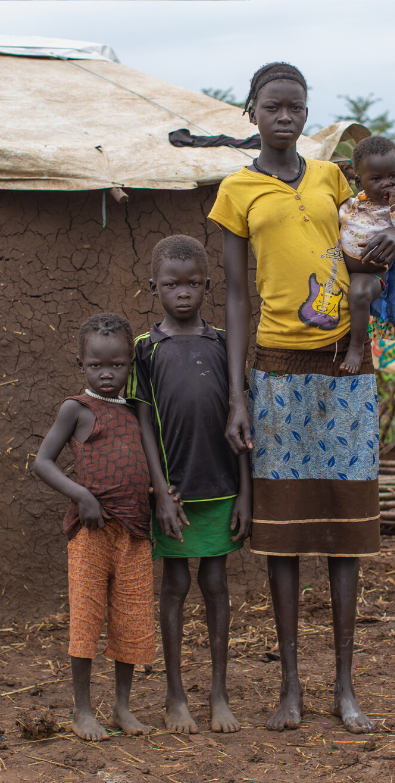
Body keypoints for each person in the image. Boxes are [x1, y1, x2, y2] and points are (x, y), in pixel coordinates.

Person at [209, 62, 395, 734]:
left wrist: (370, 290)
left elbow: (371, 240)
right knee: (284, 538)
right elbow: (236, 295)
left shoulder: (331, 178)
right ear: (252, 111)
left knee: (346, 535)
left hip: (345, 367)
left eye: (296, 106)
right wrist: (238, 392)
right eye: (273, 106)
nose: (285, 117)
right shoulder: (236, 191)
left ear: (305, 112)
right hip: (277, 369)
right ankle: (291, 687)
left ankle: (345, 686)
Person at [128, 234, 252, 735]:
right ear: (153, 286)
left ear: (207, 285)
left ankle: (219, 694)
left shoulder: (224, 343)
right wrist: (158, 491)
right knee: (176, 584)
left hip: (221, 487)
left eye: (193, 283)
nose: (183, 292)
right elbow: (143, 424)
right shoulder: (145, 349)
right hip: (173, 494)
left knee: (216, 583)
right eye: (171, 283)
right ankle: (175, 696)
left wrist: (246, 492)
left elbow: (243, 424)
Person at [33, 313, 154, 742]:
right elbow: (42, 462)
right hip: (91, 533)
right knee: (86, 619)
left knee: (132, 620)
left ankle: (123, 707)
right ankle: (82, 709)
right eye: (96, 366)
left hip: (135, 533)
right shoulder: (76, 408)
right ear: (81, 364)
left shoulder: (137, 411)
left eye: (117, 365)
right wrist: (83, 496)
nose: (107, 374)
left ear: (130, 365)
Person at [336, 136, 395, 374]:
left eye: (393, 176)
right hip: (340, 268)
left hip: (371, 273)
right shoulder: (350, 205)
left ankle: (356, 348)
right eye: (377, 179)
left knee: (359, 293)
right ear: (359, 182)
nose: (388, 184)